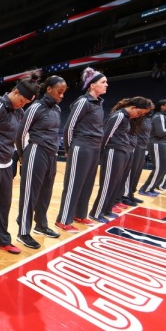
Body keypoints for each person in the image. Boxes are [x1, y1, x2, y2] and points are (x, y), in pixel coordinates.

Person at [0, 71, 41, 267]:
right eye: (23, 100)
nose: (23, 104)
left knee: (2, 207)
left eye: (27, 103)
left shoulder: (19, 113)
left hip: (6, 164)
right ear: (16, 91)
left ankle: (2, 240)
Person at [16, 75, 68, 247]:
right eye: (59, 92)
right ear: (48, 89)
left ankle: (41, 225)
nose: (62, 96)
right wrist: (23, 154)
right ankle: (23, 232)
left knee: (45, 193)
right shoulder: (36, 107)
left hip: (51, 155)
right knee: (30, 193)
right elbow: (21, 132)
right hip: (36, 151)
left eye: (64, 93)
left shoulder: (57, 110)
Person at [55, 67, 108, 233]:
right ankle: (63, 219)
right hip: (81, 146)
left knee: (87, 183)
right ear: (92, 85)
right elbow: (69, 127)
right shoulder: (82, 102)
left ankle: (80, 214)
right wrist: (69, 148)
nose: (107, 85)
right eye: (103, 82)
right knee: (73, 184)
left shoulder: (98, 103)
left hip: (94, 148)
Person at [89, 97, 153, 223]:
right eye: (139, 113)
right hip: (113, 151)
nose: (139, 115)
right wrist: (100, 154)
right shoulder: (118, 116)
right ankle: (95, 213)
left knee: (115, 184)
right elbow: (106, 135)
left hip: (122, 152)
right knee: (107, 185)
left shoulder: (127, 118)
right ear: (133, 107)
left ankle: (107, 210)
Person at [138, 99, 166, 197]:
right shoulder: (159, 116)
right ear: (162, 106)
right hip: (157, 143)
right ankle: (144, 189)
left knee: (165, 167)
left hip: (163, 143)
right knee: (159, 167)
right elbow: (160, 132)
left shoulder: (164, 116)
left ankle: (151, 187)